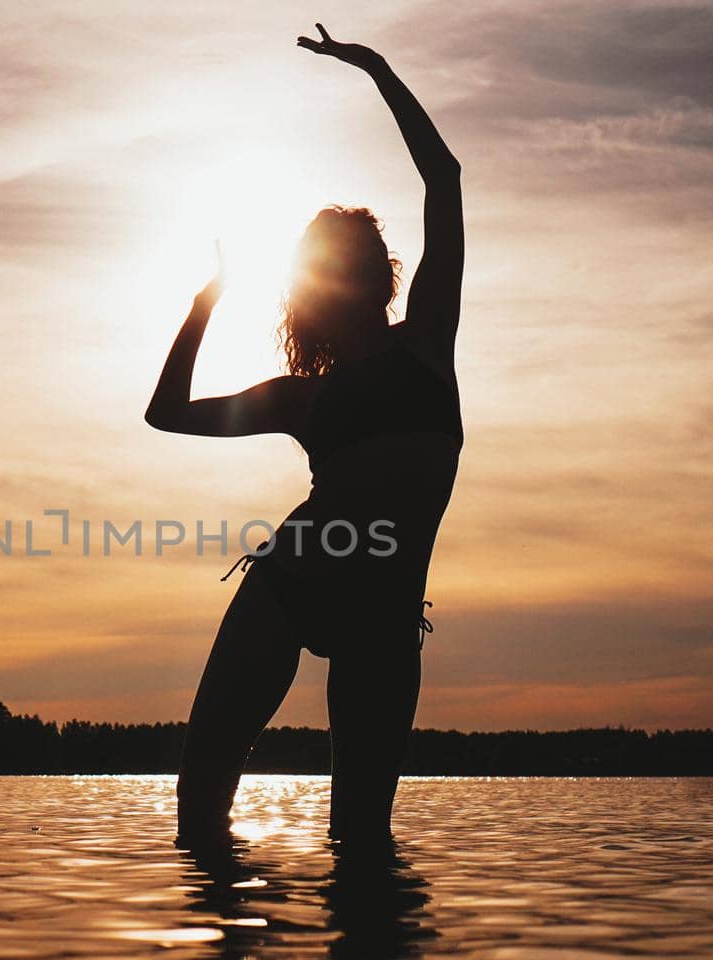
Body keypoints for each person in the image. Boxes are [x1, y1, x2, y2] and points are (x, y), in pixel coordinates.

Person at [145, 24, 465, 844]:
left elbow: (445, 178)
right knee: (201, 800)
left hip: (387, 622)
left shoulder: (428, 342)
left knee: (361, 842)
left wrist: (379, 70)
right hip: (294, 582)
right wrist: (205, 305)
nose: (350, 266)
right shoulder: (303, 399)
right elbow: (168, 413)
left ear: (378, 272)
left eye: (357, 253)